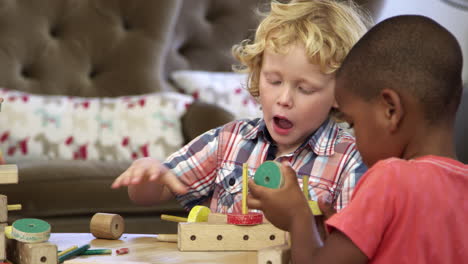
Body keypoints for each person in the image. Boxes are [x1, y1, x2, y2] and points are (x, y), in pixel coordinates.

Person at [111, 0, 371, 214]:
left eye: (305, 89)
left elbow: (351, 247)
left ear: (340, 93)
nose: (284, 99)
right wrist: (149, 176)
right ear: (259, 73)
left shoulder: (350, 161)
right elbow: (156, 191)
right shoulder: (228, 141)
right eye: (274, 80)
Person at [247, 15, 468, 263]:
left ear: (390, 111)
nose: (355, 137)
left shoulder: (390, 179)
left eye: (353, 123)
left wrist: (298, 218)